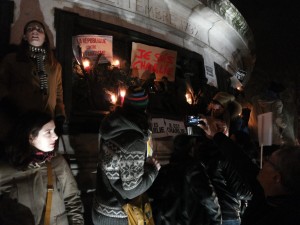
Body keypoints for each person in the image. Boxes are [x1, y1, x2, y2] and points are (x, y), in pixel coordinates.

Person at [198, 117, 300, 225]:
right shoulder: (267, 195)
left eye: (269, 161)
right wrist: (217, 135)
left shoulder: (283, 218)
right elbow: (242, 162)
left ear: (276, 177)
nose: (263, 162)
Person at [0, 110, 84, 225]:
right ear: (30, 136)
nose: (55, 136)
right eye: (48, 132)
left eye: (54, 131)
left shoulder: (58, 162)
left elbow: (72, 199)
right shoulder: (5, 170)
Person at [92, 86, 161, 225]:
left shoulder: (111, 125)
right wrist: (153, 170)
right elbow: (132, 190)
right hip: (118, 215)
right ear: (145, 109)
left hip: (101, 208)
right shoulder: (134, 142)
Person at [0, 20, 65, 142]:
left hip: (46, 127)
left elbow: (58, 94)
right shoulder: (11, 60)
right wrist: (7, 104)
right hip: (18, 122)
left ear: (45, 38)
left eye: (39, 29)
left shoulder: (55, 65)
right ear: (25, 36)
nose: (35, 31)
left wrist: (60, 117)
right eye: (30, 29)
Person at [148, 134, 221, 225]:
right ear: (191, 149)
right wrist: (217, 220)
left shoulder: (165, 170)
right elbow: (208, 196)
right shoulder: (194, 168)